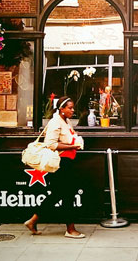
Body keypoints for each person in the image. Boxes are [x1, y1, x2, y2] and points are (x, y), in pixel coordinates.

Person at [24, 96, 85, 239]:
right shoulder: (55, 122)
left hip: (68, 162)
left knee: (58, 194)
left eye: (72, 107)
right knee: (68, 195)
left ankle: (33, 220)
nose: (72, 110)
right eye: (69, 108)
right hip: (60, 164)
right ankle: (70, 230)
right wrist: (73, 146)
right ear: (61, 109)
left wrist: (76, 141)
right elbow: (50, 144)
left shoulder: (66, 121)